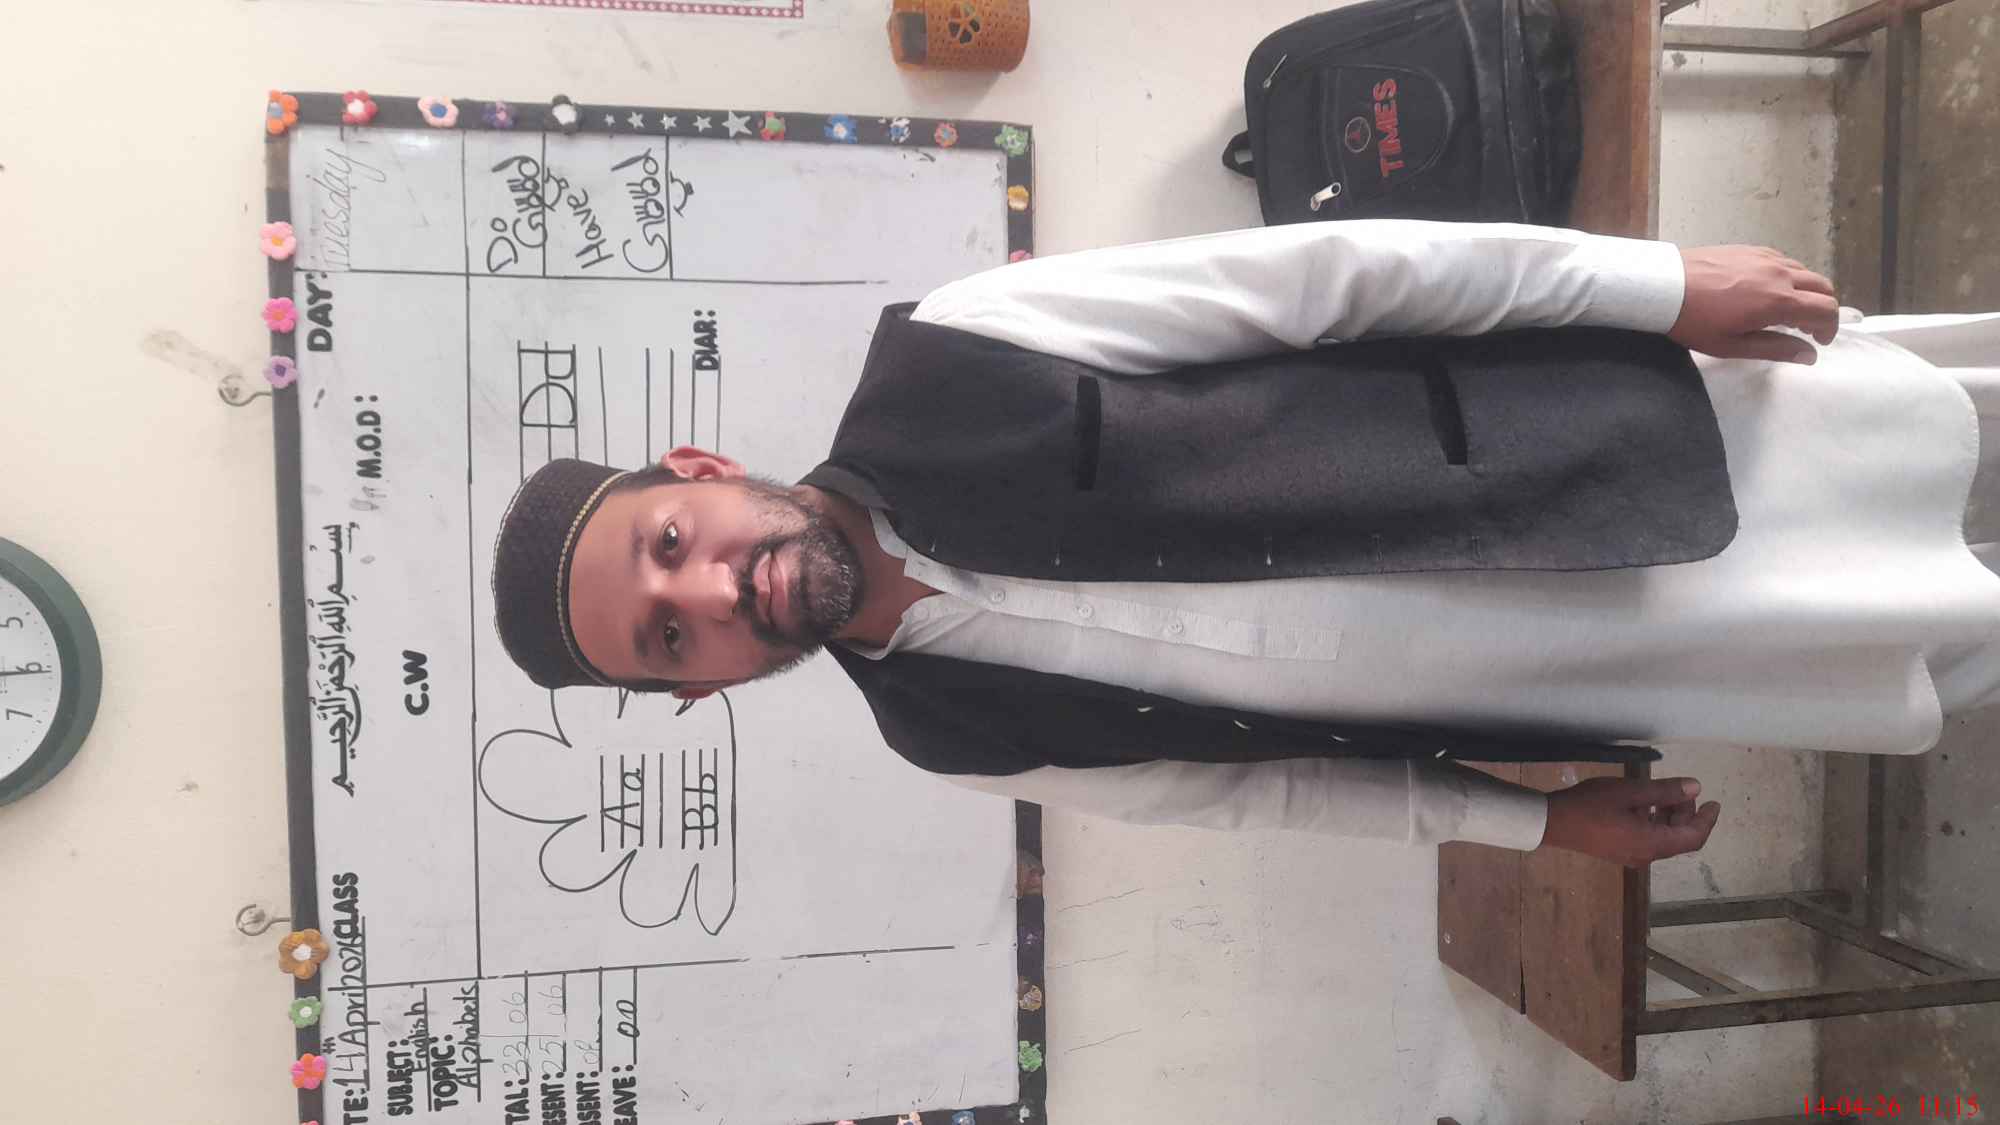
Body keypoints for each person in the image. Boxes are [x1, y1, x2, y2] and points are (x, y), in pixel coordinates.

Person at [489, 219, 2000, 868]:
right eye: (668, 634)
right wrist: (1534, 829)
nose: (709, 588)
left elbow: (1337, 278)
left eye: (669, 540)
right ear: (698, 688)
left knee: (1938, 431)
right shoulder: (950, 738)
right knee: (1943, 643)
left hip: (1599, 441)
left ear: (699, 471)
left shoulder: (956, 345)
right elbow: (1259, 790)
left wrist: (1652, 282)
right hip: (1606, 664)